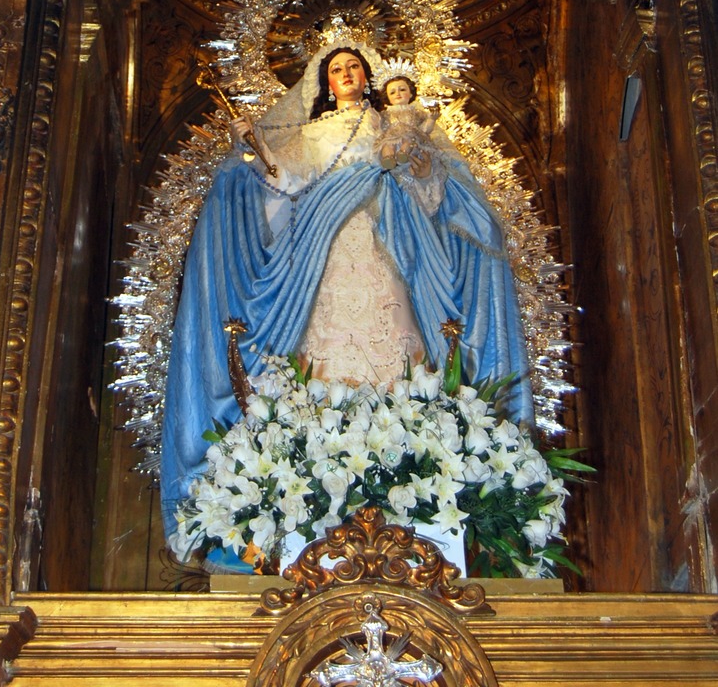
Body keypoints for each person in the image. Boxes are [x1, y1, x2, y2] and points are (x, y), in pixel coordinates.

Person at [160, 42, 534, 540]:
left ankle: (410, 449)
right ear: (325, 82)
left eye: (354, 66)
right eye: (336, 69)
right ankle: (321, 454)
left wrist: (417, 165)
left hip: (390, 243)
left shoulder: (392, 124)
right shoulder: (312, 134)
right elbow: (285, 185)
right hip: (324, 248)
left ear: (368, 76)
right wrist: (255, 150)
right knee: (326, 342)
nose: (346, 73)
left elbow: (430, 195)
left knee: (395, 330)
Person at [377, 73, 438, 170]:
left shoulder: (417, 113)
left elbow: (424, 130)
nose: (397, 94)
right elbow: (379, 127)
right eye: (392, 92)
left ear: (411, 93)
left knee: (409, 139)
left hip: (411, 140)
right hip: (391, 137)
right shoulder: (385, 114)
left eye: (402, 90)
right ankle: (388, 158)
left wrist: (431, 119)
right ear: (387, 98)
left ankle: (404, 153)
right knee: (386, 144)